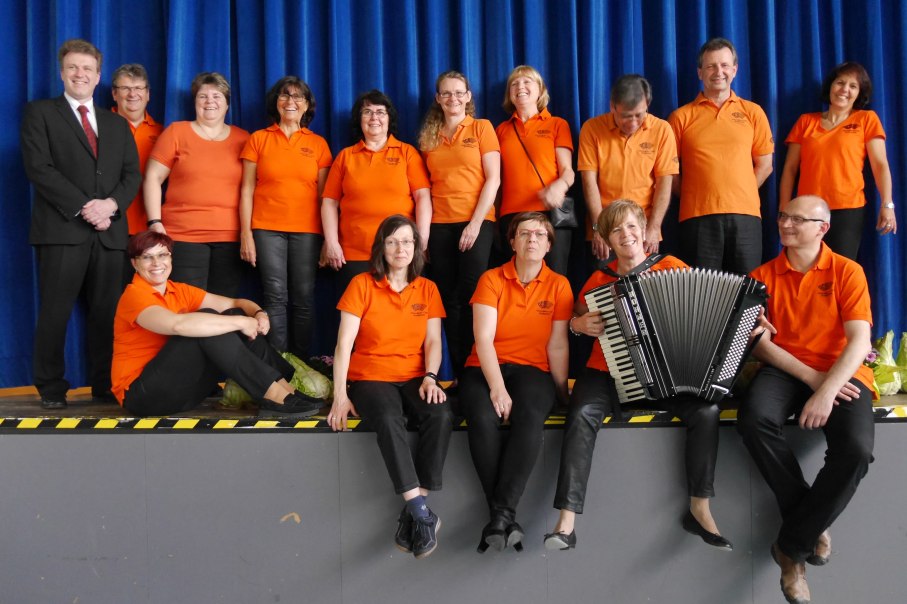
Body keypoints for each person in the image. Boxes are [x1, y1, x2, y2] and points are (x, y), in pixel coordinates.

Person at [545, 199, 732, 552]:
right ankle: (566, 523)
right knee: (582, 413)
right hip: (606, 373)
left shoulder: (671, 267)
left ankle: (700, 507)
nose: (626, 235)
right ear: (607, 240)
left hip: (666, 375)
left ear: (644, 229)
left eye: (631, 226)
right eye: (616, 230)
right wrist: (577, 324)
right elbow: (578, 316)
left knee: (706, 412)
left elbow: (704, 311)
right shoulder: (600, 278)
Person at [737, 195, 874, 604]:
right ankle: (810, 523)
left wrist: (828, 388)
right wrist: (812, 379)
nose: (786, 224)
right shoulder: (760, 277)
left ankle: (791, 546)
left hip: (842, 372)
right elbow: (761, 347)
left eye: (799, 219)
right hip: (787, 369)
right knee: (753, 420)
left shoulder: (847, 271)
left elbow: (860, 340)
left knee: (856, 451)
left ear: (823, 228)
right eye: (783, 216)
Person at [20, 39, 141, 408]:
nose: (80, 74)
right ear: (62, 72)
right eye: (73, 67)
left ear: (98, 75)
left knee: (107, 315)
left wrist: (110, 206)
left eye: (87, 69)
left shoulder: (116, 124)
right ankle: (51, 388)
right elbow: (39, 168)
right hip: (61, 232)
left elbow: (131, 175)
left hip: (109, 235)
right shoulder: (40, 113)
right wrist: (84, 206)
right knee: (55, 314)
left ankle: (104, 385)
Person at [328, 215, 451, 560]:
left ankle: (415, 509)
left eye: (408, 241)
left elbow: (433, 343)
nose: (402, 248)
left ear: (417, 248)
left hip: (415, 376)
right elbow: (343, 346)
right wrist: (340, 395)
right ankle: (423, 514)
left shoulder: (427, 289)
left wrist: (430, 376)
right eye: (394, 241)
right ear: (382, 246)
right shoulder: (361, 285)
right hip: (370, 376)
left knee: (440, 414)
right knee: (387, 417)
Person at [111, 230, 323, 418]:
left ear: (171, 257)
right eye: (147, 257)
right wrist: (240, 322)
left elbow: (234, 303)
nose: (157, 263)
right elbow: (178, 325)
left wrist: (258, 314)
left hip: (184, 393)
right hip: (143, 396)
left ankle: (285, 389)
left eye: (162, 255)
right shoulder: (134, 296)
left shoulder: (179, 290)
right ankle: (271, 395)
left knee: (228, 314)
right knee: (207, 322)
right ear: (134, 263)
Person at [460, 211, 572, 553]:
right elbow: (484, 338)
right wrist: (497, 388)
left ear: (549, 244)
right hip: (484, 367)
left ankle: (500, 515)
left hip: (532, 370)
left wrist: (560, 391)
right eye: (525, 234)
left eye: (540, 234)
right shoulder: (491, 279)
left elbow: (557, 344)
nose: (532, 239)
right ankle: (504, 515)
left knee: (530, 418)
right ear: (512, 241)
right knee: (481, 418)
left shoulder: (559, 285)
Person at [239, 76, 332, 357]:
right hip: (266, 230)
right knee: (275, 299)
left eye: (298, 97)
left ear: (307, 106)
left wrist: (329, 239)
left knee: (303, 299)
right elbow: (246, 190)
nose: (291, 102)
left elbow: (325, 198)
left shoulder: (318, 144)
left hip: (307, 231)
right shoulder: (259, 139)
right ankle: (279, 367)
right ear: (276, 102)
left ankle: (300, 365)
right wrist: (246, 234)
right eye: (285, 95)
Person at [418, 70, 501, 378]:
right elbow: (424, 191)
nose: (453, 98)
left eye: (459, 92)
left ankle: (477, 370)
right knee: (447, 300)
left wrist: (475, 225)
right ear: (438, 99)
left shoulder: (481, 128)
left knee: (472, 297)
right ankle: (456, 373)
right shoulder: (428, 136)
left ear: (468, 97)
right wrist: (423, 237)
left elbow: (493, 179)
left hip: (476, 222)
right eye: (446, 93)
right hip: (440, 225)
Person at [668, 38, 774, 275]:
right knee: (701, 297)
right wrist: (696, 195)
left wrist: (739, 192)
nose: (719, 72)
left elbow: (765, 165)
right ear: (699, 72)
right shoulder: (680, 117)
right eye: (711, 66)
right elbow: (669, 171)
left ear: (734, 70)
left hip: (745, 216)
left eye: (725, 65)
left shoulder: (753, 112)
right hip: (697, 219)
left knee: (746, 293)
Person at [143, 72, 250, 297]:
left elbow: (252, 189)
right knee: (186, 306)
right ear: (195, 102)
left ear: (227, 104)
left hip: (230, 238)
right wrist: (155, 222)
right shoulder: (177, 132)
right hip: (183, 236)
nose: (209, 101)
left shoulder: (244, 139)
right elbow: (153, 178)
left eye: (217, 96)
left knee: (223, 309)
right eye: (203, 96)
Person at [779, 62, 896, 260]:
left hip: (847, 210)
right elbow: (790, 169)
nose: (844, 90)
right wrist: (784, 209)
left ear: (859, 93)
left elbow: (880, 165)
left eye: (853, 86)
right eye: (840, 83)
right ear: (830, 86)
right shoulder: (806, 122)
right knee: (805, 267)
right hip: (806, 211)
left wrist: (887, 205)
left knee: (840, 270)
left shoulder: (866, 119)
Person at [322, 90, 432, 299]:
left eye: (380, 112)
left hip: (400, 253)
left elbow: (423, 198)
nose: (374, 118)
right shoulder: (345, 157)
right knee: (356, 318)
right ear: (359, 120)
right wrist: (332, 242)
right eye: (367, 112)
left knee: (398, 314)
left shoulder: (407, 153)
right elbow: (329, 203)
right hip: (353, 253)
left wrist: (422, 239)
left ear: (389, 119)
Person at [578, 75, 678, 260]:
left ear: (647, 104)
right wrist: (598, 227)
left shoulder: (662, 130)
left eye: (639, 115)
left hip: (643, 230)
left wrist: (654, 227)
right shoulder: (592, 129)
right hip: (606, 228)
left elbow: (665, 182)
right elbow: (588, 180)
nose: (632, 122)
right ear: (612, 107)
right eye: (625, 116)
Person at [496, 66, 575, 275]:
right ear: (509, 94)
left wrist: (559, 185)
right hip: (512, 216)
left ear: (540, 90)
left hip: (550, 214)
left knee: (555, 277)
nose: (520, 86)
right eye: (514, 84)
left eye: (526, 82)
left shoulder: (557, 124)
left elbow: (568, 171)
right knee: (515, 277)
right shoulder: (501, 130)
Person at [110, 63, 163, 239]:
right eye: (125, 88)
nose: (132, 94)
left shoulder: (163, 133)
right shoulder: (98, 128)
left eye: (138, 88)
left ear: (148, 94)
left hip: (149, 227)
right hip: (108, 225)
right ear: (114, 94)